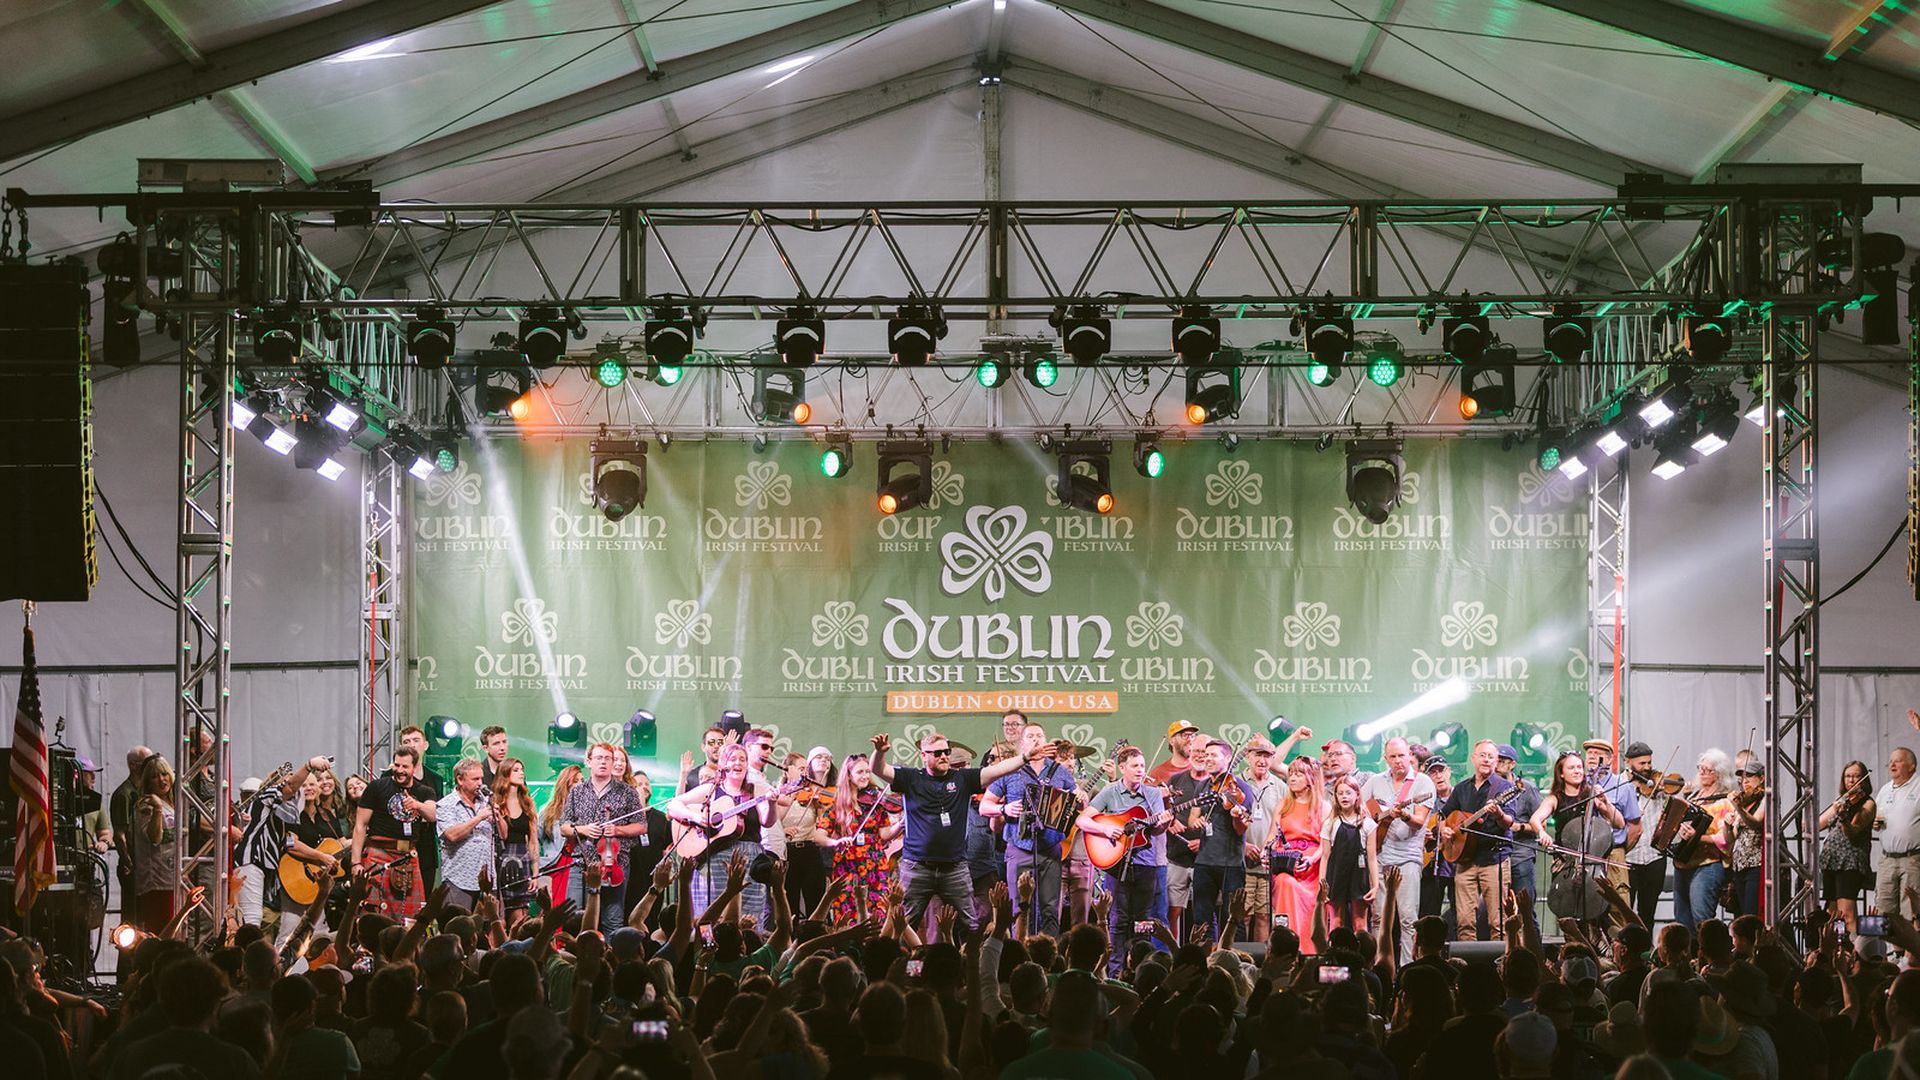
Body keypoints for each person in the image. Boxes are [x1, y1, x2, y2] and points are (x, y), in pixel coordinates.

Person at [869, 728, 1028, 935]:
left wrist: (1025, 757)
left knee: (970, 927)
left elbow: (997, 771)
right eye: (937, 753)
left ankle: (969, 966)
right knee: (902, 924)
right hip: (916, 867)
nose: (944, 756)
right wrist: (880, 752)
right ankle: (908, 968)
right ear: (924, 756)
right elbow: (879, 769)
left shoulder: (961, 778)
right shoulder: (911, 778)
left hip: (954, 868)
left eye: (946, 751)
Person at [979, 720, 1078, 936]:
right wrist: (1004, 808)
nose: (1036, 739)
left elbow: (1079, 799)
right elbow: (984, 806)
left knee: (1051, 910)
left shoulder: (1059, 772)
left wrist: (1080, 797)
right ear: (1022, 744)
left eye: (1040, 736)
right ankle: (1020, 956)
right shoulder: (1010, 770)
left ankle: (1049, 958)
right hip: (1019, 849)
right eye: (1031, 736)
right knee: (1019, 909)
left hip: (1051, 851)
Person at [1077, 744, 1173, 965]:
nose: (1140, 770)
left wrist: (1164, 824)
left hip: (1146, 864)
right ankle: (1115, 967)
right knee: (1118, 919)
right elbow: (1082, 820)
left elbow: (1156, 830)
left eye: (1142, 765)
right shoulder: (1110, 792)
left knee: (1143, 921)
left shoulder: (1152, 794)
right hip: (1117, 864)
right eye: (1135, 766)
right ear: (1122, 768)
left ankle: (1140, 966)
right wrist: (1106, 829)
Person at [667, 741, 775, 928]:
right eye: (733, 759)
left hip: (750, 860)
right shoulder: (710, 790)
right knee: (713, 915)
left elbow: (767, 820)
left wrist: (773, 803)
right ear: (724, 764)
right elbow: (674, 805)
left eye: (742, 759)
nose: (738, 763)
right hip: (715, 859)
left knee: (750, 917)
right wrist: (695, 816)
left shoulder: (754, 791)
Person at [1528, 751, 1625, 937]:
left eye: (1579, 767)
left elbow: (1619, 822)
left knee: (1597, 918)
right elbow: (1535, 819)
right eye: (1571, 767)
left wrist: (1604, 800)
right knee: (1568, 912)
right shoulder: (1554, 799)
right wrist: (1541, 832)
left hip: (1591, 862)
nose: (1577, 771)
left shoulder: (1591, 796)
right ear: (1561, 773)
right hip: (1565, 863)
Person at [1172, 736, 1256, 943]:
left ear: (1227, 759)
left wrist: (1236, 816)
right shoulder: (1203, 786)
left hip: (1230, 863)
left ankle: (1235, 962)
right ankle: (1205, 961)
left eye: (1213, 755)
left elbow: (1240, 830)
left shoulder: (1241, 788)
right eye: (1206, 755)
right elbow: (1193, 817)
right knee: (1202, 919)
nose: (1207, 759)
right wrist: (1196, 822)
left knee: (1232, 919)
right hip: (1204, 862)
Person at [232, 756, 332, 927]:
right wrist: (309, 766)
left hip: (261, 866)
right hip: (250, 859)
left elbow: (290, 844)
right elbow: (291, 787)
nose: (298, 788)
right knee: (251, 917)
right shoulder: (268, 795)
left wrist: (320, 859)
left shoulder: (287, 814)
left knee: (255, 918)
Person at [559, 742, 648, 933]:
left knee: (612, 920)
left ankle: (611, 960)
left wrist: (617, 830)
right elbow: (564, 827)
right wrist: (582, 829)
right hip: (581, 862)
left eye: (608, 758)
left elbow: (641, 825)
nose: (604, 762)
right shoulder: (577, 791)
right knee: (575, 919)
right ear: (589, 762)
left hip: (614, 863)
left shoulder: (627, 792)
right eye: (599, 758)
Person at [1363, 737, 1436, 962]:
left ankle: (1406, 967)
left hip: (1408, 860)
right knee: (1378, 918)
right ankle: (1379, 966)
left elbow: (1420, 821)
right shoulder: (1375, 782)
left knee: (1408, 919)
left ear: (1410, 756)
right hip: (1379, 857)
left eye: (1402, 756)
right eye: (1393, 757)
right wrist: (1375, 819)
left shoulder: (1422, 783)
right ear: (1386, 758)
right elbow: (1362, 810)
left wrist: (1403, 814)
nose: (1398, 761)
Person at [1436, 739, 1515, 940]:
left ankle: (1500, 966)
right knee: (1464, 921)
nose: (1486, 760)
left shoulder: (1504, 787)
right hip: (1464, 861)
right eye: (1482, 755)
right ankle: (1465, 966)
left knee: (1498, 922)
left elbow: (1508, 822)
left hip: (1494, 859)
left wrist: (1498, 813)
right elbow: (1442, 816)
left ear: (1496, 761)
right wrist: (1444, 829)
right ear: (1473, 758)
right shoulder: (1462, 788)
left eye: (1491, 756)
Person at [350, 745, 437, 920]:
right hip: (378, 853)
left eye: (405, 767)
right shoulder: (376, 787)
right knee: (373, 915)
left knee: (411, 917)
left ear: (414, 767)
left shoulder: (424, 791)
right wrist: (355, 863)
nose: (399, 770)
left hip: (408, 856)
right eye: (396, 765)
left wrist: (417, 805)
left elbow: (434, 815)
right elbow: (360, 825)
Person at [817, 752, 900, 926]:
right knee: (849, 912)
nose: (866, 776)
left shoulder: (876, 804)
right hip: (848, 865)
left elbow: (884, 835)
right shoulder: (837, 804)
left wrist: (901, 823)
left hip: (875, 863)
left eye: (868, 772)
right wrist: (835, 842)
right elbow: (818, 836)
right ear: (848, 775)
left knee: (879, 912)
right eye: (860, 772)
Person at [278, 770, 345, 951]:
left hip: (319, 884)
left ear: (318, 788)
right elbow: (291, 844)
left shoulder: (327, 815)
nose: (308, 788)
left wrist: (364, 839)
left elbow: (340, 844)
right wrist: (321, 857)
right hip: (296, 879)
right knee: (289, 932)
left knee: (318, 934)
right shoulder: (292, 813)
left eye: (312, 784)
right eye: (304, 785)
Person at [1264, 755, 1324, 946]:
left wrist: (1311, 860)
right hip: (1285, 863)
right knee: (1284, 882)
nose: (1292, 778)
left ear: (1310, 778)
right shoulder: (1283, 804)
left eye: (1298, 774)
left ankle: (1308, 949)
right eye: (1291, 774)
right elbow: (1272, 836)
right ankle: (1285, 946)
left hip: (1311, 868)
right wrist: (1265, 853)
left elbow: (1326, 845)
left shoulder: (1324, 807)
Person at [1673, 748, 1734, 930]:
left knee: (1702, 918)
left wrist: (1697, 837)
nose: (1701, 772)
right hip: (1683, 863)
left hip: (1707, 865)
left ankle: (1707, 956)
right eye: (1701, 768)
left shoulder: (1724, 802)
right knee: (1681, 920)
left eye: (1707, 770)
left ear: (1719, 774)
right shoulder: (1693, 797)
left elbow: (1725, 839)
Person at [1819, 760, 1874, 938]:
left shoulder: (1867, 803)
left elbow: (1853, 832)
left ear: (1863, 779)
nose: (1852, 780)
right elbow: (1816, 824)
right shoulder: (1842, 801)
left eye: (1856, 776)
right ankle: (1836, 949)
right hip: (1831, 861)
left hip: (1850, 862)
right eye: (1848, 776)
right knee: (1832, 912)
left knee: (1847, 913)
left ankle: (1853, 953)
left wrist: (1842, 817)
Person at [780, 747, 837, 916]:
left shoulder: (823, 793)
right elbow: (772, 822)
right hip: (787, 851)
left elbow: (825, 824)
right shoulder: (788, 792)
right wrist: (782, 830)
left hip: (811, 850)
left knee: (816, 902)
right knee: (789, 905)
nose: (824, 760)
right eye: (801, 769)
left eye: (827, 758)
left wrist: (820, 807)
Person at [1583, 738, 1643, 896]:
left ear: (1609, 759)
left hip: (1613, 853)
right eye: (1589, 753)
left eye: (1597, 753)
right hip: (1584, 853)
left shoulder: (1624, 787)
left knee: (1617, 904)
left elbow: (1635, 829)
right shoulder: (1580, 785)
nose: (1592, 756)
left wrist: (1619, 850)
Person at [435, 758, 497, 911]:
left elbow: (504, 834)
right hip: (459, 879)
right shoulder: (446, 805)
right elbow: (451, 835)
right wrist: (479, 818)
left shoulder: (485, 802)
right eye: (475, 779)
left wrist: (498, 816)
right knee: (459, 926)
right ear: (460, 779)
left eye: (481, 778)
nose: (480, 783)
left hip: (487, 881)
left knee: (488, 929)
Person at [1621, 740, 1670, 930]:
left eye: (1649, 763)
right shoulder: (1619, 785)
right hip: (1628, 857)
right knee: (1626, 912)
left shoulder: (1657, 785)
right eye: (1642, 764)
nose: (1648, 767)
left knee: (1647, 913)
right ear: (1628, 762)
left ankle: (1645, 957)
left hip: (1654, 857)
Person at [1320, 774, 1378, 934]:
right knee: (1336, 922)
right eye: (1340, 793)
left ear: (1357, 795)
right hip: (1336, 875)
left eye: (1348, 792)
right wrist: (1322, 884)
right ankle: (1335, 957)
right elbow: (1325, 857)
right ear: (1336, 797)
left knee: (1360, 924)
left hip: (1359, 876)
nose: (1344, 796)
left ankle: (1362, 958)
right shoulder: (1330, 824)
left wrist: (1375, 885)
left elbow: (1372, 858)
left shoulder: (1368, 824)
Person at [1241, 735, 1284, 943]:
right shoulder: (1237, 782)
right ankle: (1239, 963)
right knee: (1242, 916)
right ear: (1248, 756)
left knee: (1264, 916)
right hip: (1242, 863)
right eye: (1258, 754)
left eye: (1268, 756)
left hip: (1269, 864)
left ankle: (1260, 963)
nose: (1263, 760)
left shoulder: (1280, 786)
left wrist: (1271, 848)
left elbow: (1284, 824)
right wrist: (1243, 846)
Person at [132, 754, 180, 928]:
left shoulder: (175, 804)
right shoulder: (146, 805)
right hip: (158, 883)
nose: (161, 780)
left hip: (176, 878)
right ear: (147, 781)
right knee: (163, 930)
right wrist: (158, 809)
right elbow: (154, 838)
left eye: (164, 774)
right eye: (154, 776)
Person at [490, 756, 539, 925]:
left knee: (520, 916)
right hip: (500, 858)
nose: (521, 773)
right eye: (516, 770)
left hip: (522, 858)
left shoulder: (527, 802)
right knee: (499, 917)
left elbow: (533, 841)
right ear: (505, 773)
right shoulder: (495, 802)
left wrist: (535, 874)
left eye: (522, 770)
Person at [399, 725, 446, 894]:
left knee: (424, 897)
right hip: (399, 844)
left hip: (426, 843)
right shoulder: (389, 777)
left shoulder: (435, 779)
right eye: (406, 742)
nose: (412, 745)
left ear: (425, 745)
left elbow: (438, 813)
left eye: (416, 740)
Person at [109, 745, 153, 925]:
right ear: (134, 765)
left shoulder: (144, 793)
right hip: (133, 866)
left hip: (146, 865)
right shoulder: (124, 794)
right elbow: (119, 835)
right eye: (147, 763)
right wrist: (129, 862)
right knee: (132, 919)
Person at [1876, 746, 1920, 921]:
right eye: (1891, 761)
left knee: (1911, 911)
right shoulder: (1885, 789)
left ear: (1911, 766)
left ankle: (1912, 948)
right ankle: (1894, 950)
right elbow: (1877, 819)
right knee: (1885, 910)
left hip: (1912, 859)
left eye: (1898, 760)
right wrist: (1874, 823)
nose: (1892, 764)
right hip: (1887, 859)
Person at [1498, 744, 1544, 902]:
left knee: (1525, 908)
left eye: (1502, 760)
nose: (1497, 764)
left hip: (1521, 856)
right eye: (1495, 760)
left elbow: (1542, 825)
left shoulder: (1528, 788)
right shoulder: (1488, 788)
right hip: (1495, 858)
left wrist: (1520, 826)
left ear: (1512, 764)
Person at [1727, 761, 1768, 917]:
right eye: (1742, 777)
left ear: (1761, 778)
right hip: (1739, 865)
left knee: (1752, 914)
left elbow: (1755, 822)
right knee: (1742, 915)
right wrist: (1727, 825)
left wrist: (1738, 808)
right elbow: (1731, 838)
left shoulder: (1766, 798)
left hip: (1755, 864)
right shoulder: (1744, 801)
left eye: (1749, 776)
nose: (1745, 781)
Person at [1148, 720, 1200, 786]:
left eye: (1192, 736)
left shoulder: (1200, 769)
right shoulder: (1158, 773)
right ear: (1172, 741)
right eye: (1185, 735)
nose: (1190, 740)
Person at [683, 725, 728, 792]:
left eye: (720, 742)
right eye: (711, 742)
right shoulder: (693, 776)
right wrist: (683, 775)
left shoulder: (731, 773)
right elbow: (677, 800)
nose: (716, 746)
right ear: (703, 747)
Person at [478, 726, 510, 791]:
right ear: (485, 748)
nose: (502, 748)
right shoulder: (478, 774)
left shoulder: (514, 770)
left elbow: (524, 798)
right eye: (496, 744)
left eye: (504, 742)